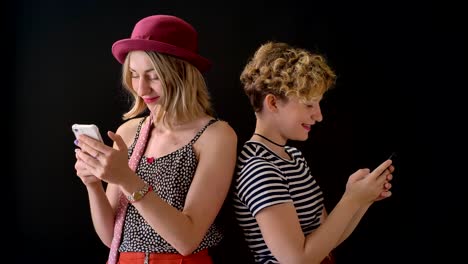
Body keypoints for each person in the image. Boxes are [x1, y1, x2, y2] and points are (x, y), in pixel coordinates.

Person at [73, 14, 237, 264]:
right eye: (135, 75)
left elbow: (186, 240)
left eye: (154, 75)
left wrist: (126, 179)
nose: (141, 89)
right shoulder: (129, 132)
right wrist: (93, 184)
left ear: (182, 75)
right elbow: (111, 238)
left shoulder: (216, 135)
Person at [232, 41, 394, 264]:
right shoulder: (259, 168)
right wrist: (351, 199)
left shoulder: (293, 157)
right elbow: (297, 260)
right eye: (309, 105)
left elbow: (327, 240)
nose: (319, 116)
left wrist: (362, 200)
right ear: (273, 103)